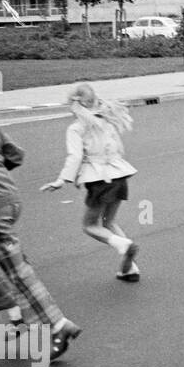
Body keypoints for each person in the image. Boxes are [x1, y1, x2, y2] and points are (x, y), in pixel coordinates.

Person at [0, 78, 80, 359]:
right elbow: (15, 155)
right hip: (9, 200)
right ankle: (20, 319)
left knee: (18, 271)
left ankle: (57, 325)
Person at [41, 82, 140, 282]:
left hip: (99, 180)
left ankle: (123, 245)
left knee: (89, 225)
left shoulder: (77, 128)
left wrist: (62, 179)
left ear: (73, 103)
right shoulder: (107, 120)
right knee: (109, 221)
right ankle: (129, 268)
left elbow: (75, 156)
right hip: (119, 175)